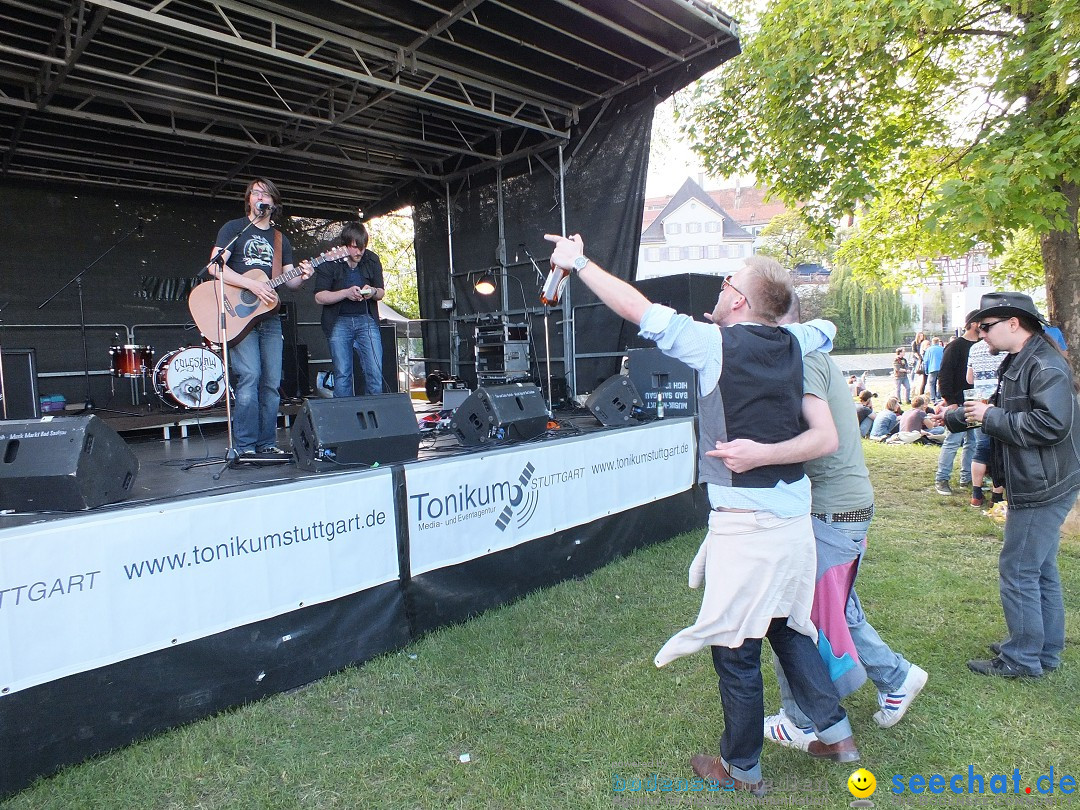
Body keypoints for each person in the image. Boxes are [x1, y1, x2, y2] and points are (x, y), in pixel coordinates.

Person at [545, 234, 857, 796]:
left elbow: (635, 308)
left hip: (749, 523)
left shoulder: (713, 345)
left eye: (726, 284)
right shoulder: (797, 339)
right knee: (788, 625)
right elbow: (827, 329)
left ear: (739, 300)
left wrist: (580, 262)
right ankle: (836, 733)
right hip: (791, 517)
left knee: (735, 650)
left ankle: (741, 769)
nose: (718, 291)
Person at [755, 297, 927, 750]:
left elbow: (820, 440)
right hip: (840, 508)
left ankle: (800, 720)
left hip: (832, 512)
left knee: (800, 616)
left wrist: (758, 453)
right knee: (835, 609)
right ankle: (897, 677)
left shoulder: (804, 360)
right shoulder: (810, 355)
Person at [958, 292, 1080, 678]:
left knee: (1019, 569)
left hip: (1043, 483)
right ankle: (1043, 649)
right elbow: (1014, 414)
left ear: (1015, 323)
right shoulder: (1022, 360)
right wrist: (967, 416)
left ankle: (1023, 657)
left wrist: (991, 416)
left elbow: (1051, 425)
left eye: (987, 327)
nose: (982, 336)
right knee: (1040, 568)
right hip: (1039, 478)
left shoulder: (1044, 365)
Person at [208, 178, 312, 457]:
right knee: (251, 375)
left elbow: (288, 282)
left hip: (269, 316)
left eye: (265, 194)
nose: (259, 197)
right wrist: (251, 284)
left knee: (271, 381)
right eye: (255, 193)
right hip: (239, 317)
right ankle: (244, 446)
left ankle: (267, 443)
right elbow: (215, 267)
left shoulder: (280, 240)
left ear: (273, 203)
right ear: (249, 200)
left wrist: (302, 276)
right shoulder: (234, 229)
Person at [314, 221, 386, 397]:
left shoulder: (372, 259)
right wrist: (346, 293)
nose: (359, 252)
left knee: (375, 373)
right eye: (354, 247)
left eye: (362, 247)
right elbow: (319, 297)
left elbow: (381, 292)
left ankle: (375, 417)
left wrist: (372, 291)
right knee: (343, 374)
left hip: (366, 319)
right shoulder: (330, 261)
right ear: (344, 245)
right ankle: (344, 420)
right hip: (339, 321)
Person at [933, 312, 979, 495]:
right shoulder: (956, 346)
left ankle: (966, 477)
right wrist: (950, 401)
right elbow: (943, 375)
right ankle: (942, 479)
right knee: (953, 440)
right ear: (974, 324)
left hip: (974, 400)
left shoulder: (982, 346)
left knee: (972, 442)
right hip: (958, 402)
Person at [966, 337, 1006, 507]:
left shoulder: (974, 348)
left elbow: (969, 378)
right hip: (998, 399)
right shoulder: (1003, 345)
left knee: (981, 447)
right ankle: (997, 496)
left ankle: (976, 494)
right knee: (1001, 448)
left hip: (977, 399)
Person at [922, 337, 945, 401]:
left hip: (932, 368)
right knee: (940, 383)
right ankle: (939, 396)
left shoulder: (929, 350)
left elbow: (925, 361)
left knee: (932, 383)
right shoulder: (942, 349)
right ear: (938, 342)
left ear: (932, 342)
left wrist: (926, 370)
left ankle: (933, 398)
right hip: (941, 368)